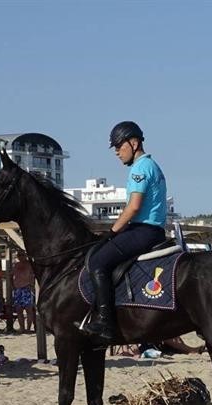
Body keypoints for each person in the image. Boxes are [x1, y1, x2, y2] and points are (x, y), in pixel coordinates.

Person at [77, 120, 169, 343]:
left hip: (144, 230)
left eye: (119, 146)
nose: (117, 152)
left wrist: (112, 231)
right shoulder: (151, 166)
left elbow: (134, 206)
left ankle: (105, 322)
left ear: (134, 142)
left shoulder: (140, 167)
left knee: (98, 261)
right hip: (151, 229)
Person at [12, 251, 37, 333]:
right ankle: (22, 327)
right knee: (19, 310)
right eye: (19, 255)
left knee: (29, 309)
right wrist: (13, 286)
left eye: (22, 255)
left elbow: (34, 276)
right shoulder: (16, 265)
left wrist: (32, 286)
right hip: (18, 289)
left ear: (25, 255)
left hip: (27, 288)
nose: (20, 257)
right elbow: (11, 275)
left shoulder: (29, 265)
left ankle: (28, 328)